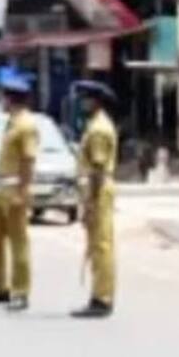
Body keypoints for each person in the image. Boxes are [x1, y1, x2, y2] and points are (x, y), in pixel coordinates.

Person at [0, 69, 37, 311]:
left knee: (18, 243)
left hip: (14, 188)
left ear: (11, 98)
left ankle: (21, 291)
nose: (2, 101)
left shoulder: (26, 125)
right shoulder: (11, 123)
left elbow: (28, 160)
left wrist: (22, 192)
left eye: (4, 97)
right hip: (1, 188)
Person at [73, 80, 118, 319]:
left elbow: (98, 169)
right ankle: (99, 294)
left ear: (96, 101)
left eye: (86, 98)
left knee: (101, 245)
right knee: (99, 244)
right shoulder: (95, 125)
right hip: (97, 188)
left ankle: (102, 298)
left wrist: (90, 202)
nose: (82, 103)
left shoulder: (99, 129)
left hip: (98, 189)